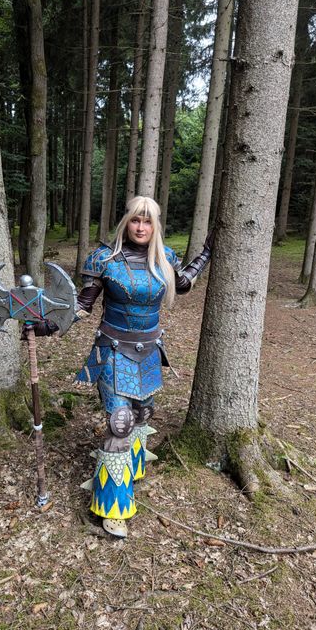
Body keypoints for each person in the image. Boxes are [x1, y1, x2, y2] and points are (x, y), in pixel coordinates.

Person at [29, 196, 213, 537]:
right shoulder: (104, 259)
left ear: (155, 225)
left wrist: (206, 252)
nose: (141, 227)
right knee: (121, 423)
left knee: (143, 414)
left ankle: (132, 471)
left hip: (150, 351)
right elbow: (83, 305)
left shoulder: (164, 257)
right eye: (135, 220)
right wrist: (48, 326)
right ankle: (112, 508)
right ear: (126, 222)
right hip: (113, 351)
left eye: (148, 221)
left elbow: (184, 283)